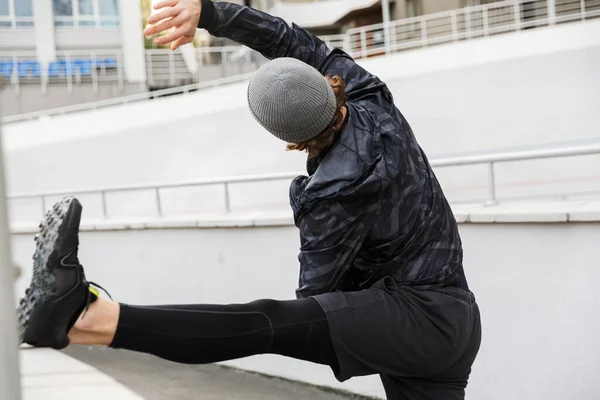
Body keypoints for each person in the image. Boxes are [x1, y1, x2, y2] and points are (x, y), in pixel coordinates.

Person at [17, 1, 482, 399]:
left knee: (271, 323)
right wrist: (208, 11)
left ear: (287, 138)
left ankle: (85, 318)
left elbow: (315, 300)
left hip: (420, 317)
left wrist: (306, 204)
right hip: (448, 313)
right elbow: (289, 40)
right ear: (327, 85)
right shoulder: (373, 100)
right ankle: (77, 322)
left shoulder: (331, 193)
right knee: (277, 322)